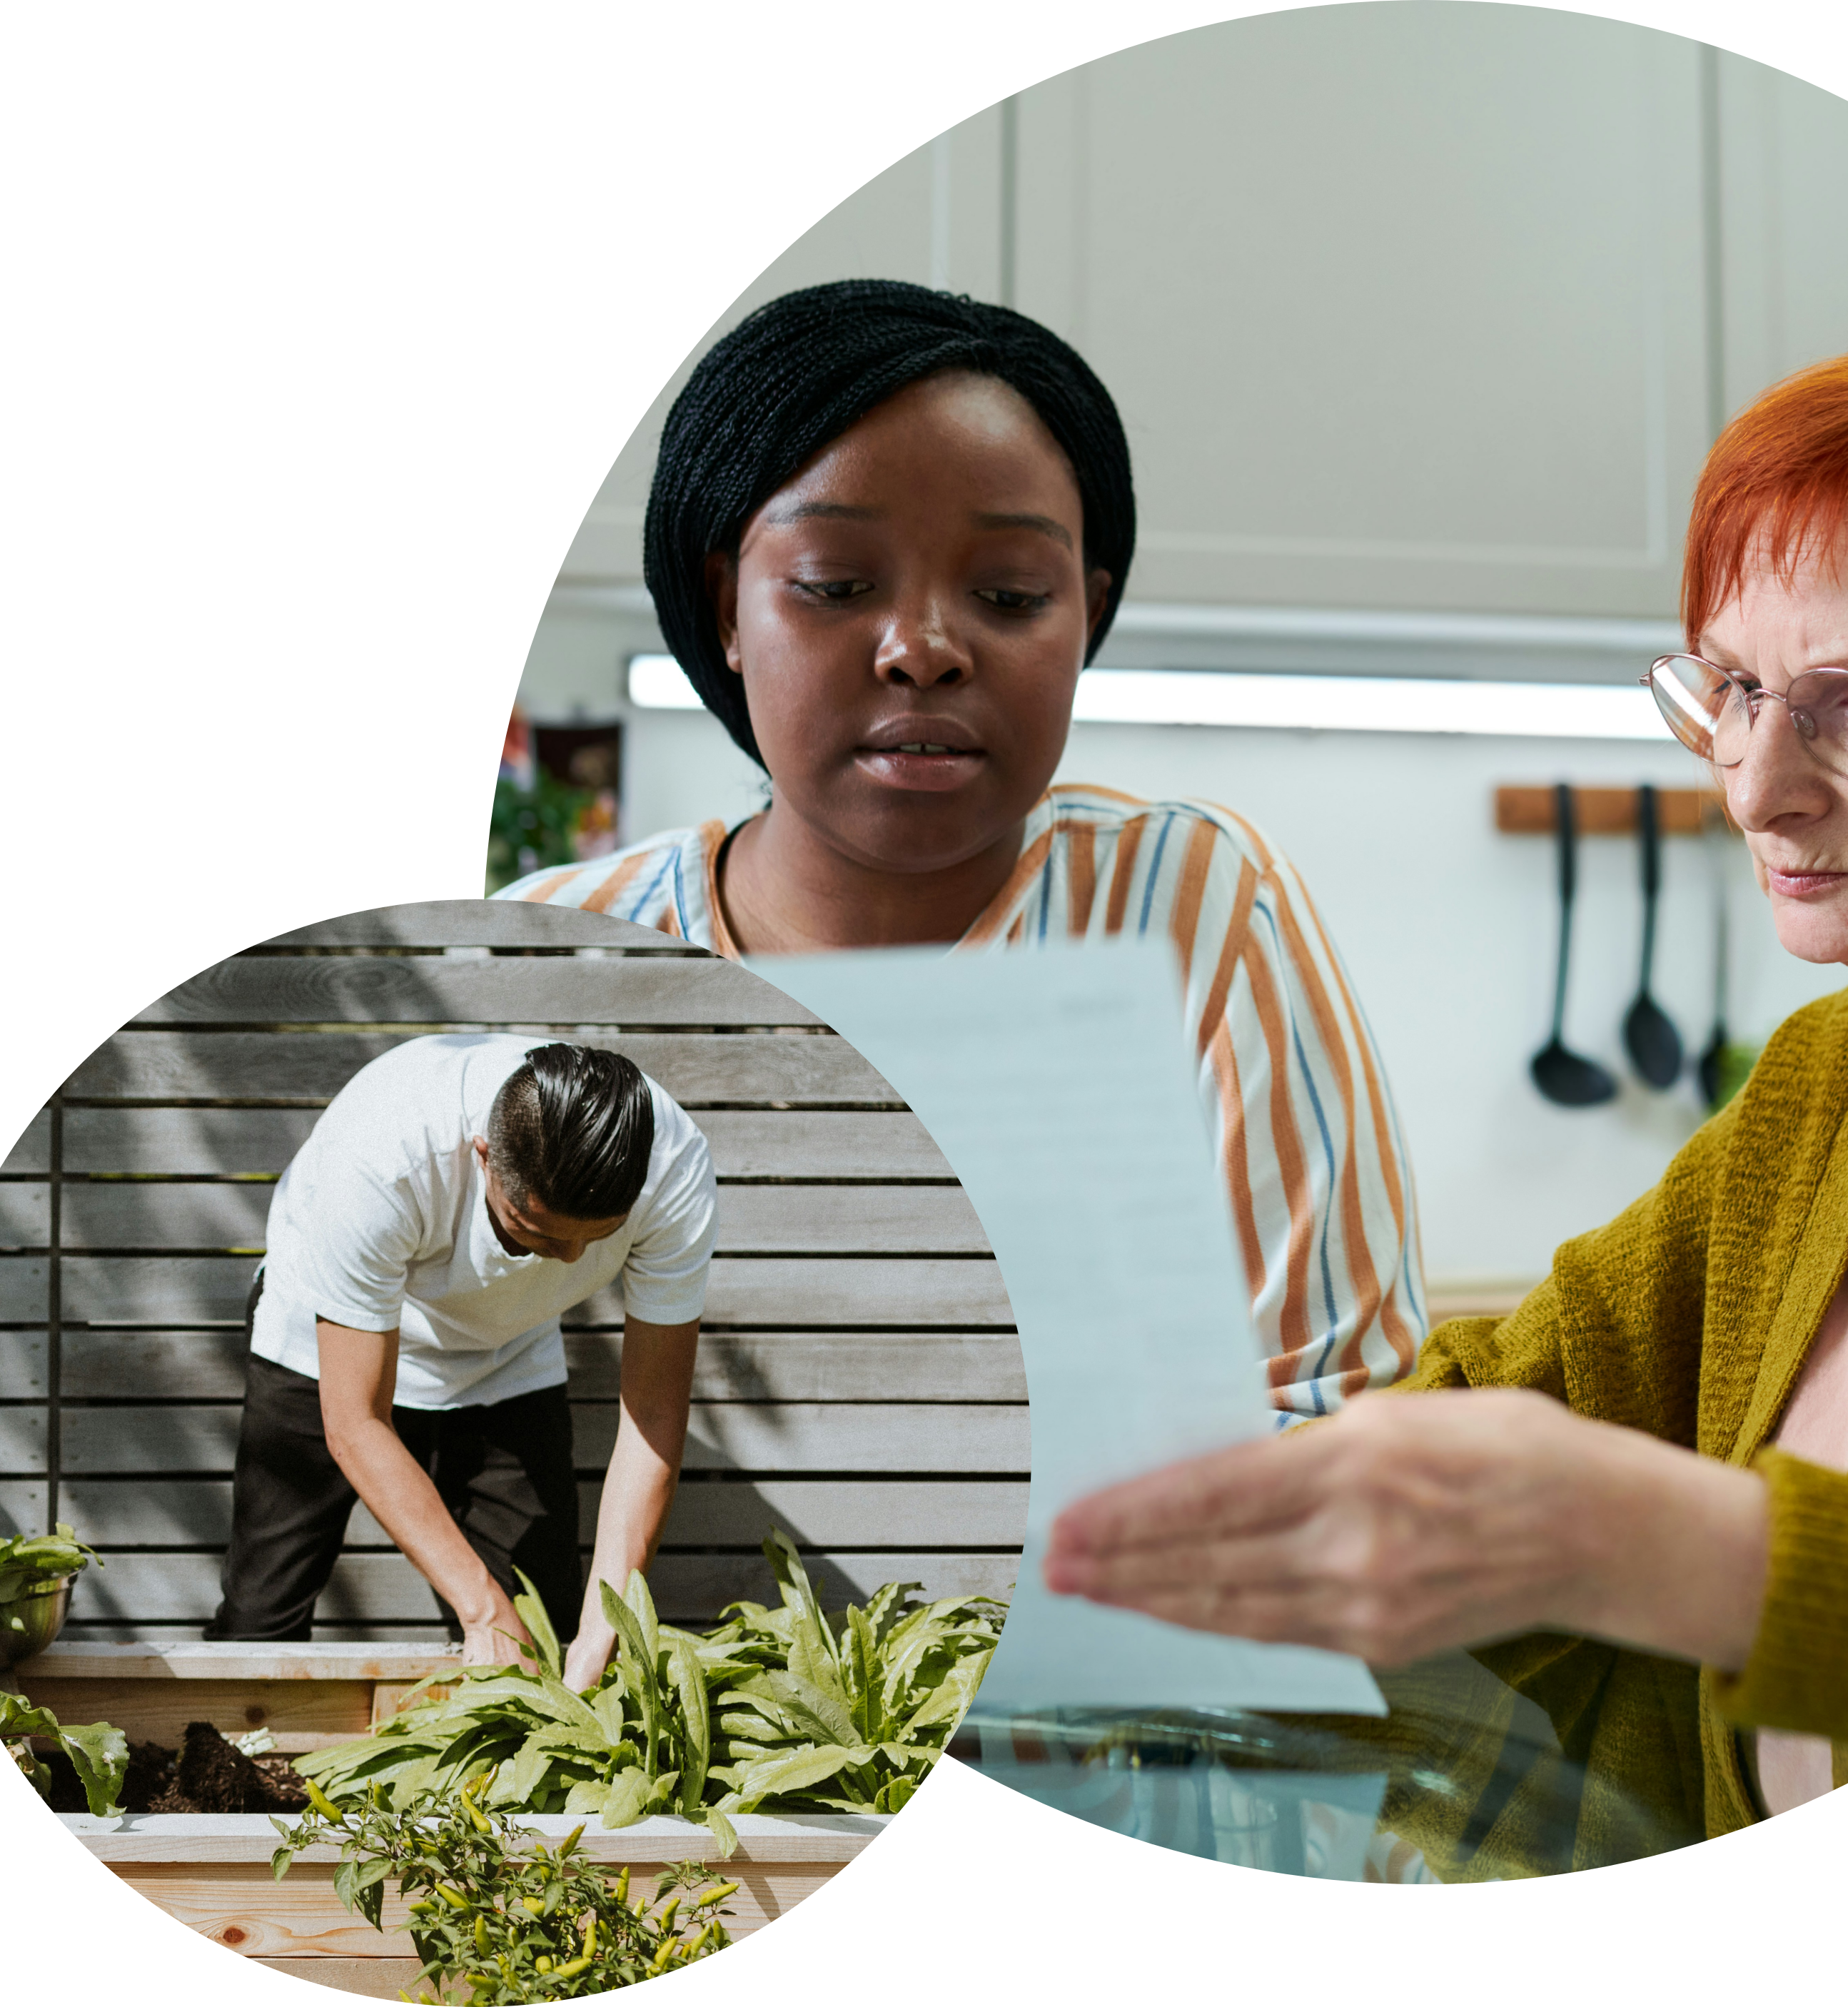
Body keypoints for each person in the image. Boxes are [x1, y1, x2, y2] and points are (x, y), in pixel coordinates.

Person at [1041, 310, 1848, 1868]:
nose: (1751, 779)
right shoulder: (1827, 1080)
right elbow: (1514, 1391)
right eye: (1728, 684)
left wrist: (1685, 1554)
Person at [497, 280, 1423, 1423]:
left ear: (1085, 613)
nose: (924, 649)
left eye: (1009, 593)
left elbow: (1339, 1409)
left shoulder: (1188, 915)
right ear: (726, 608)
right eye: (837, 585)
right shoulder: (556, 955)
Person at [206, 1038, 717, 1689]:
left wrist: (604, 1626)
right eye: (533, 1232)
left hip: (506, 1353)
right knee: (260, 1622)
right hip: (321, 1345)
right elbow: (356, 1421)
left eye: (597, 1239)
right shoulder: (383, 1155)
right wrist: (480, 1608)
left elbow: (652, 1414)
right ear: (484, 1157)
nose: (568, 1261)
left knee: (542, 1630)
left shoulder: (673, 1168)